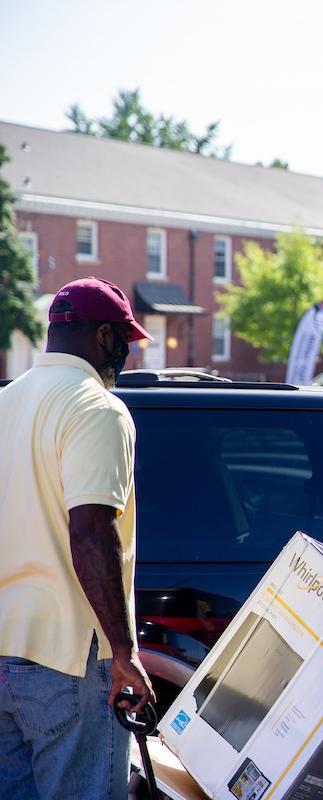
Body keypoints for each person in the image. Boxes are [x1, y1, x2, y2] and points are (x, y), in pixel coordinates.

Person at [0, 277, 157, 799]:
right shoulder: (97, 408)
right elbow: (91, 531)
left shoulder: (6, 402)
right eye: (127, 342)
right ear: (105, 338)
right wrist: (123, 651)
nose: (127, 355)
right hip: (66, 656)